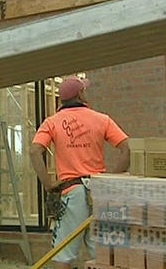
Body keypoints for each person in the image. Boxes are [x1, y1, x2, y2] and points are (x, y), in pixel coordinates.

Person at [29, 75, 130, 269]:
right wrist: (110, 180)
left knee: (63, 255)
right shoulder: (102, 119)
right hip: (99, 193)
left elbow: (34, 151)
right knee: (102, 256)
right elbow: (126, 148)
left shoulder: (52, 122)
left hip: (72, 192)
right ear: (81, 94)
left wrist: (49, 184)